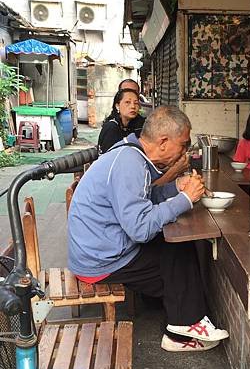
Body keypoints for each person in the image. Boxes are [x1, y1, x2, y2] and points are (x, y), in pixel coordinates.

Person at [68, 105, 229, 352]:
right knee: (178, 252)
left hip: (101, 248)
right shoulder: (129, 163)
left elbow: (143, 197)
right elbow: (140, 229)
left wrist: (176, 186)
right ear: (163, 142)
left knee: (174, 250)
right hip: (100, 262)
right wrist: (185, 199)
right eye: (183, 144)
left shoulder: (130, 153)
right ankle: (181, 332)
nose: (185, 151)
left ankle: (181, 318)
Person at [98, 88, 143, 153]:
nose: (133, 106)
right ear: (117, 106)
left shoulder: (138, 125)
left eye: (136, 103)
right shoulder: (111, 127)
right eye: (127, 102)